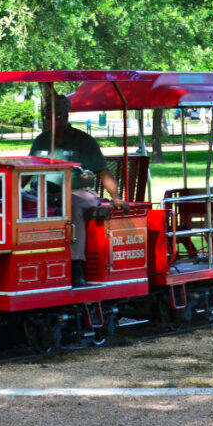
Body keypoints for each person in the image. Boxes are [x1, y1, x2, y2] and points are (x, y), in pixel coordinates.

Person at [29, 95, 127, 287]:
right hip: (43, 193)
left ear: (66, 116)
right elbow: (26, 169)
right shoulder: (41, 141)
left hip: (80, 193)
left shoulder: (84, 142)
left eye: (56, 117)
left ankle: (76, 265)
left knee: (70, 205)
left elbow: (103, 172)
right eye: (47, 117)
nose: (51, 121)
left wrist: (116, 197)